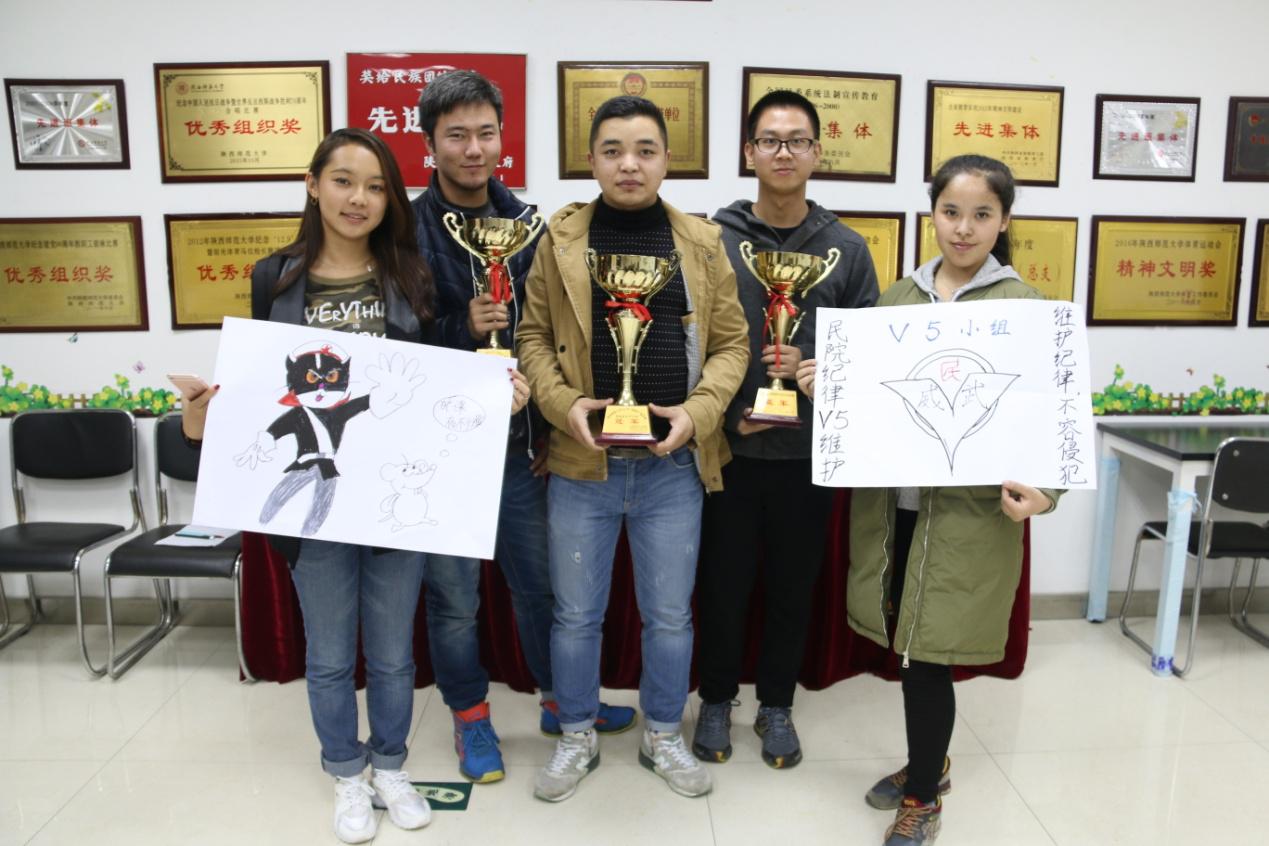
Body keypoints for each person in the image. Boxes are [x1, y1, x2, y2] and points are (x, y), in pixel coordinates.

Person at [180, 127, 529, 844]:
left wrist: (493, 392)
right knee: (331, 654)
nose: (358, 199)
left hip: (393, 502)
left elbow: (434, 375)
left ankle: (391, 767)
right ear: (313, 185)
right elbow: (257, 387)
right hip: (314, 501)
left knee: (394, 654)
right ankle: (346, 771)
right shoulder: (274, 278)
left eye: (375, 187)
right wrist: (201, 418)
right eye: (342, 181)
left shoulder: (411, 274)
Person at [796, 154, 1061, 846]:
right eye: (951, 212)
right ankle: (929, 763)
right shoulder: (896, 302)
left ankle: (921, 796)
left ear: (1004, 220)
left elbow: (1054, 416)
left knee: (927, 655)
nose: (963, 228)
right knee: (909, 644)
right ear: (932, 213)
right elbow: (871, 409)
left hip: (971, 519)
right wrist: (829, 389)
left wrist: (1047, 493)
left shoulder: (1025, 307)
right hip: (894, 512)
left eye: (981, 214)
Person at [516, 95, 749, 802]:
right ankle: (576, 733)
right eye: (613, 150)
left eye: (645, 150)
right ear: (591, 160)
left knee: (670, 616)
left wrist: (698, 415)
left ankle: (663, 735)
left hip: (671, 467)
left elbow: (733, 344)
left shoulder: (701, 243)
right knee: (574, 616)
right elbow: (531, 338)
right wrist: (563, 406)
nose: (629, 164)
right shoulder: (559, 241)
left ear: (666, 160)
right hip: (581, 463)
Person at [410, 69, 635, 785]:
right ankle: (470, 717)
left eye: (485, 133)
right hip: (441, 452)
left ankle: (561, 702)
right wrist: (460, 327)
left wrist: (549, 432)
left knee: (541, 588)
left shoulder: (533, 227)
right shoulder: (404, 232)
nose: (473, 149)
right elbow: (395, 343)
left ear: (502, 139)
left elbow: (550, 339)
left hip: (517, 449)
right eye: (456, 136)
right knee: (454, 601)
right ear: (430, 144)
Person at [694, 90, 879, 770]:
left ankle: (776, 704)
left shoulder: (846, 249)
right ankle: (716, 699)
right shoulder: (713, 240)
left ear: (815, 153)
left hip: (806, 456)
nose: (783, 152)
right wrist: (731, 409)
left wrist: (819, 365)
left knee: (792, 589)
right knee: (721, 586)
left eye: (796, 140)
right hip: (729, 450)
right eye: (769, 140)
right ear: (749, 152)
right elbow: (689, 340)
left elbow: (866, 355)